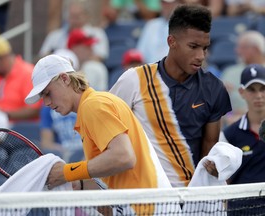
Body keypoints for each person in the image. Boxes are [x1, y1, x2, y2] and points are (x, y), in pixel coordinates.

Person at [110, 4, 232, 187]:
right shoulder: (133, 80)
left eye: (205, 48)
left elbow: (208, 152)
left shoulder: (214, 88)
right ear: (171, 42)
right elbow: (105, 130)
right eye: (193, 46)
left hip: (190, 200)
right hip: (143, 195)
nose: (200, 56)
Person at [25, 55, 171, 197]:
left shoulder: (93, 105)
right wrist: (79, 184)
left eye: (48, 93)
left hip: (149, 207)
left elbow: (124, 157)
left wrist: (67, 172)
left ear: (65, 79)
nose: (46, 102)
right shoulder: (92, 104)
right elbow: (115, 175)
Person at [219, 64, 265, 215]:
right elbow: (224, 180)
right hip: (240, 211)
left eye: (262, 89)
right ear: (242, 92)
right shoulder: (229, 135)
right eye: (252, 90)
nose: (258, 95)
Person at [0, 35, 42, 123]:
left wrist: (3, 114)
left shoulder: (28, 73)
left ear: (2, 58)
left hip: (23, 130)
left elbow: (35, 110)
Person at [39, 1, 109, 62]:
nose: (74, 20)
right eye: (72, 16)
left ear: (86, 16)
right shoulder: (55, 35)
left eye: (77, 16)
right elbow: (43, 56)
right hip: (60, 70)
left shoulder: (97, 33)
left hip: (85, 69)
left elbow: (100, 56)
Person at [221, 30, 265, 127]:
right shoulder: (230, 72)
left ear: (256, 49)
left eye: (242, 47)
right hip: (233, 123)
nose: (237, 51)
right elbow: (220, 104)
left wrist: (246, 116)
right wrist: (230, 116)